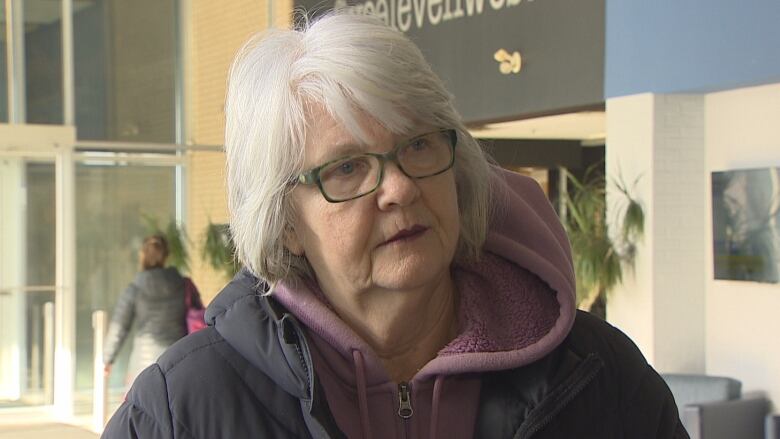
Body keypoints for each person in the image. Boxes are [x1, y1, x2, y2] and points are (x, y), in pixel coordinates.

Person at [103, 11, 687, 439]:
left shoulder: (599, 378)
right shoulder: (181, 408)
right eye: (349, 167)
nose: (401, 187)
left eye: (419, 145)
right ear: (284, 221)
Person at [103, 234, 201, 387]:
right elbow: (199, 317)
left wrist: (107, 359)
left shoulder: (134, 289)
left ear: (142, 255)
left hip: (143, 367)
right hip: (178, 361)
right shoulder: (184, 285)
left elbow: (119, 327)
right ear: (165, 257)